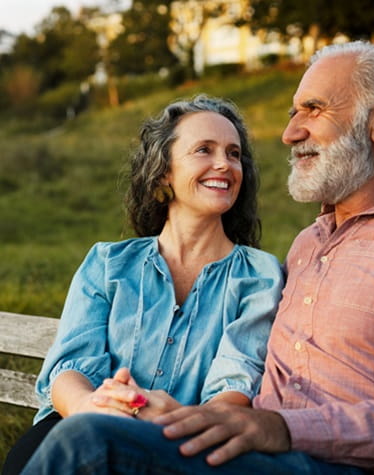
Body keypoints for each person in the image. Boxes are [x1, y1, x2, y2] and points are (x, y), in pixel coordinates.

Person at [20, 40, 374, 475]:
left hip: (336, 463)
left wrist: (278, 427)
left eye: (313, 109)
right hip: (243, 454)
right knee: (73, 438)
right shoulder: (309, 244)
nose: (289, 133)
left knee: (89, 443)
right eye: (293, 113)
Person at [3, 95, 284, 474]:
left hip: (181, 442)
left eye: (234, 154)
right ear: (164, 171)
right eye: (204, 149)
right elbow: (69, 367)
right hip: (78, 426)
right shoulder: (108, 263)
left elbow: (236, 385)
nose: (224, 164)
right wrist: (90, 408)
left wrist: (169, 417)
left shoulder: (259, 275)